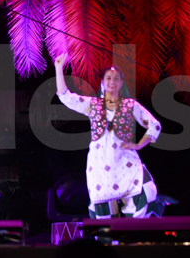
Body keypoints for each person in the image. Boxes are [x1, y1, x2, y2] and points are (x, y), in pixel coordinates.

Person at [53, 53, 161, 218]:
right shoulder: (92, 105)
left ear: (121, 83)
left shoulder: (130, 105)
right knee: (106, 214)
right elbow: (65, 97)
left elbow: (155, 125)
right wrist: (58, 68)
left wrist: (139, 145)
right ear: (102, 83)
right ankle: (110, 234)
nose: (112, 81)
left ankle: (135, 232)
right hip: (100, 164)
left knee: (147, 191)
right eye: (108, 78)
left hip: (125, 162)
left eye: (116, 78)